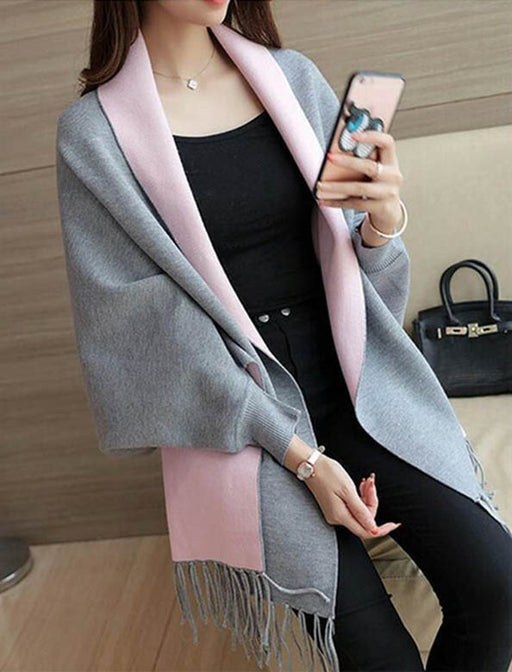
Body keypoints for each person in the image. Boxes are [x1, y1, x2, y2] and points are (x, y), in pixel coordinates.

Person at [56, 1, 512, 670]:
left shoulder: (292, 78)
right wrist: (301, 458)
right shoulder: (93, 135)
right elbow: (142, 335)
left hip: (359, 388)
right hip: (247, 424)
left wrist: (383, 223)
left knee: (499, 590)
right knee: (379, 657)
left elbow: (365, 285)